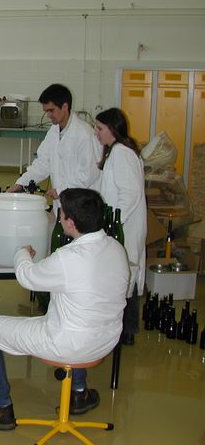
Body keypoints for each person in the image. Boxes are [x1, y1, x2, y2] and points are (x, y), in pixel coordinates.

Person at [0, 188, 129, 430]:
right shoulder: (116, 248)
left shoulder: (67, 257)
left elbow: (27, 277)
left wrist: (22, 253)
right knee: (77, 317)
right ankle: (79, 394)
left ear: (70, 222)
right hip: (106, 340)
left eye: (61, 213)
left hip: (68, 344)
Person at [95, 108, 147, 346]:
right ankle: (125, 329)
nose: (96, 133)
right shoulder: (116, 151)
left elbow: (130, 193)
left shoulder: (121, 153)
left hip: (125, 226)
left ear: (113, 129)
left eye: (100, 128)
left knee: (125, 274)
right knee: (124, 274)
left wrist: (114, 223)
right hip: (122, 224)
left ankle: (126, 331)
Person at [7, 84, 101, 210]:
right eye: (46, 111)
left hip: (83, 203)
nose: (48, 115)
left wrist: (62, 190)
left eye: (51, 110)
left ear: (65, 107)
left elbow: (89, 174)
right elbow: (42, 163)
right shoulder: (54, 131)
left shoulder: (84, 134)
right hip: (63, 203)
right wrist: (21, 183)